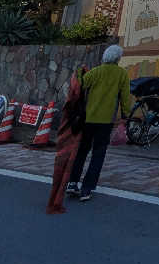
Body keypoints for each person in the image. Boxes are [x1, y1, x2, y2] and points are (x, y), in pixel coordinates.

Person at [66, 44, 132, 202]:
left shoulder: (96, 71)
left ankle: (72, 182)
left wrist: (80, 71)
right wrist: (125, 115)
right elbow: (125, 96)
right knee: (98, 154)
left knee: (82, 151)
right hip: (106, 120)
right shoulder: (122, 74)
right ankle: (86, 189)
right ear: (118, 58)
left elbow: (81, 84)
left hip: (88, 118)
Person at [45, 67, 86, 214]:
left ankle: (57, 195)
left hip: (69, 129)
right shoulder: (84, 89)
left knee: (63, 163)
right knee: (67, 162)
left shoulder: (73, 94)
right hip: (76, 129)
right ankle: (58, 197)